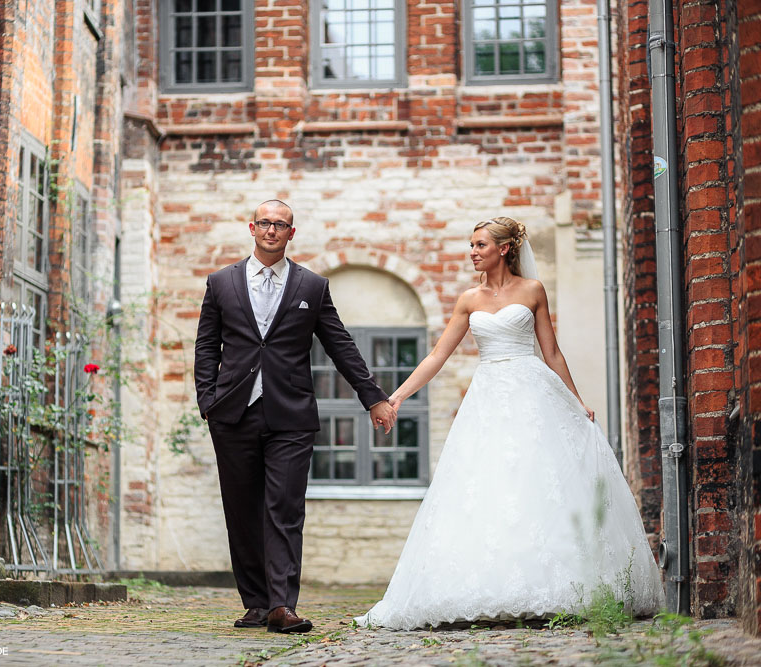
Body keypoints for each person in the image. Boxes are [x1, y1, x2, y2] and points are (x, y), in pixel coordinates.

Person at [357, 217, 664, 630]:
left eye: (480, 244)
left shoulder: (532, 290)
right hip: (489, 395)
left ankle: (562, 586)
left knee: (540, 480)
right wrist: (395, 396)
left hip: (534, 391)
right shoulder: (469, 299)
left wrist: (576, 400)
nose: (472, 251)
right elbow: (436, 357)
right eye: (470, 245)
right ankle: (488, 585)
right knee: (490, 482)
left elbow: (551, 352)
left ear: (504, 249)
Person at [195, 200, 397, 633]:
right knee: (242, 509)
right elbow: (207, 347)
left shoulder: (313, 286)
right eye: (265, 223)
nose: (272, 230)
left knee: (284, 509)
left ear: (291, 233)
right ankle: (255, 601)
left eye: (280, 225)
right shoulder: (221, 283)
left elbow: (340, 345)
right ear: (252, 228)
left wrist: (373, 397)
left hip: (291, 415)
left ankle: (282, 605)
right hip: (233, 413)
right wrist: (207, 401)